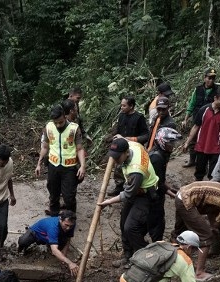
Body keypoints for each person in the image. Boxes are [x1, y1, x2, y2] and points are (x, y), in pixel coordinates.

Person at [98, 138, 160, 268]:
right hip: (135, 190)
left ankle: (144, 256)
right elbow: (126, 140)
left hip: (145, 194)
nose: (114, 160)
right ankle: (127, 255)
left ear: (126, 153)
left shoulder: (136, 170)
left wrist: (108, 202)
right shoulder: (133, 145)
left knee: (130, 227)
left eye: (117, 157)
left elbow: (127, 195)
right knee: (123, 223)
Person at [35, 105, 86, 214]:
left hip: (69, 167)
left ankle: (70, 219)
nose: (58, 125)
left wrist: (82, 166)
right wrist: (39, 163)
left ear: (65, 116)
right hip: (53, 165)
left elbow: (80, 149)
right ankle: (54, 217)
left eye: (61, 122)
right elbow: (44, 147)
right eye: (55, 122)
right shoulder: (48, 127)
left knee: (69, 196)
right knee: (53, 194)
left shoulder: (74, 128)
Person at [183, 89, 220, 181]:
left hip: (216, 147)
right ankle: (198, 187)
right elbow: (196, 127)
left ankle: (211, 189)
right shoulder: (204, 110)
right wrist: (187, 142)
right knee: (199, 171)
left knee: (213, 173)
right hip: (201, 145)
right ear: (215, 98)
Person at [147, 127, 183, 242]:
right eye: (170, 143)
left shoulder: (159, 154)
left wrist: (170, 189)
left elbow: (160, 179)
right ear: (162, 142)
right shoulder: (157, 158)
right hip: (153, 195)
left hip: (154, 192)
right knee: (157, 223)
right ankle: (157, 245)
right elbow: (157, 182)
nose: (173, 146)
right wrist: (172, 194)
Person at [17, 210, 79, 276]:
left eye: (70, 226)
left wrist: (64, 253)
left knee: (60, 249)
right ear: (60, 219)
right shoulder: (53, 227)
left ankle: (51, 244)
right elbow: (55, 251)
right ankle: (22, 247)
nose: (68, 228)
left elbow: (68, 238)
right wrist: (69, 263)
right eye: (66, 225)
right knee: (23, 241)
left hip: (52, 236)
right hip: (37, 234)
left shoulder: (71, 224)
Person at [183, 69, 218, 168]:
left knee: (207, 140)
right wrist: (185, 119)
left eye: (213, 78)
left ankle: (204, 163)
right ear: (205, 78)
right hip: (197, 118)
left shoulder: (217, 91)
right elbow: (191, 104)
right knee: (193, 139)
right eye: (209, 78)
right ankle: (192, 160)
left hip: (210, 120)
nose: (211, 80)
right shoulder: (198, 89)